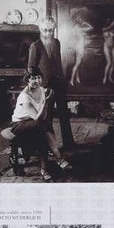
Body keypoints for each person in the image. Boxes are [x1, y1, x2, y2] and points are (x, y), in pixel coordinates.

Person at [10, 67, 72, 181]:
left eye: (38, 78)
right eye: (32, 78)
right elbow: (37, 117)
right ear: (27, 80)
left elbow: (42, 117)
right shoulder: (25, 96)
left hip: (36, 124)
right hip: (19, 124)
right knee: (41, 126)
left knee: (41, 132)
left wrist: (46, 104)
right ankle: (58, 158)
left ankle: (45, 168)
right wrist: (46, 103)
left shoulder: (42, 90)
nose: (36, 81)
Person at [27, 16, 75, 147]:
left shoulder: (56, 42)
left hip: (58, 83)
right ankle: (49, 146)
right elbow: (31, 69)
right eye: (45, 30)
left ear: (54, 29)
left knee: (64, 114)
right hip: (44, 86)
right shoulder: (35, 46)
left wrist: (63, 81)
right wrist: (40, 86)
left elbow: (58, 64)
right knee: (47, 117)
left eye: (51, 30)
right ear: (40, 29)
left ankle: (69, 142)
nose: (48, 33)